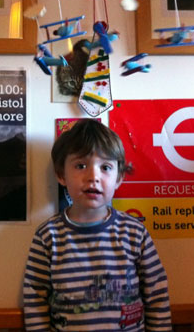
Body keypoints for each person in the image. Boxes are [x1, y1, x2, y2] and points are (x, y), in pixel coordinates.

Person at [23, 119, 171, 331]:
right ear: (61, 175)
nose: (93, 177)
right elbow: (35, 296)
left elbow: (156, 294)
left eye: (105, 167)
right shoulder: (48, 236)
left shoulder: (134, 233)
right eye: (81, 166)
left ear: (119, 177)